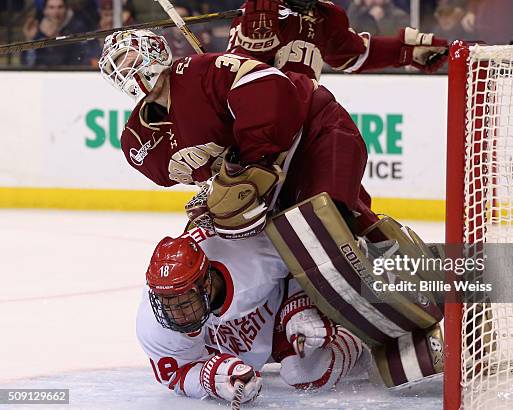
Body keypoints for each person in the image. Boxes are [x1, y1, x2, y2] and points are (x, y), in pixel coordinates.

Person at [100, 29, 445, 390]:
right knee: (300, 239)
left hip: (314, 132)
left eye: (134, 59)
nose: (132, 70)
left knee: (333, 230)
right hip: (272, 177)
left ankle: (431, 288)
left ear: (157, 51)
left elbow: (275, 92)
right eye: (122, 66)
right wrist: (231, 177)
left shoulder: (205, 72)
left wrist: (252, 158)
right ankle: (368, 322)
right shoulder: (140, 137)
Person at [137, 226, 366, 404]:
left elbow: (308, 253)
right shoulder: (154, 324)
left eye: (186, 302)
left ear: (206, 284)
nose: (177, 315)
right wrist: (213, 378)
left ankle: (360, 342)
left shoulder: (253, 258)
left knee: (307, 372)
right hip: (233, 345)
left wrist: (299, 306)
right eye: (167, 304)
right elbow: (176, 372)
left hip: (278, 316)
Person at [227, 0, 448, 81]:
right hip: (258, 126)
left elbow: (355, 54)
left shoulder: (325, 17)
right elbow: (237, 78)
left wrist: (407, 52)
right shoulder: (258, 13)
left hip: (302, 123)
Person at [21, 0, 100, 67]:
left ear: (66, 9)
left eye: (60, 7)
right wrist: (30, 40)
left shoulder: (78, 29)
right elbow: (28, 64)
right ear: (45, 11)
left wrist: (56, 39)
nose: (56, 12)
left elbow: (78, 60)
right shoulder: (37, 31)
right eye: (51, 7)